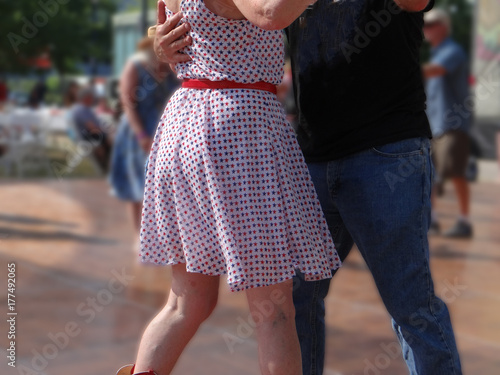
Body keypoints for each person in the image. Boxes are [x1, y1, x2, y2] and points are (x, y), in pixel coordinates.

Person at [156, 0, 464, 374]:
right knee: (293, 301)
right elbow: (245, 17)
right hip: (308, 153)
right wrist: (161, 43)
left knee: (410, 303)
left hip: (385, 151)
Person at [116, 1, 341, 375]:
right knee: (274, 309)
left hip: (186, 124)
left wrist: (159, 44)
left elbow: (169, 32)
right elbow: (270, 13)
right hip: (238, 128)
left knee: (186, 303)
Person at [109, 36, 178, 235]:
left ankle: (162, 234)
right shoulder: (136, 65)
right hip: (138, 131)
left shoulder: (173, 67)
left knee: (165, 184)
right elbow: (127, 104)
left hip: (164, 130)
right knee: (138, 184)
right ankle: (139, 235)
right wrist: (141, 135)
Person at [423, 8, 473, 238]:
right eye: (425, 24)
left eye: (431, 24)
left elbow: (435, 71)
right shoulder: (437, 52)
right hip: (434, 126)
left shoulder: (452, 51)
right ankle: (432, 220)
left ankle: (464, 221)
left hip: (452, 126)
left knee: (456, 173)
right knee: (430, 173)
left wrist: (399, 70)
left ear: (443, 27)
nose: (426, 28)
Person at [71, 87, 111, 173]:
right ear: (86, 98)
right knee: (110, 141)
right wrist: (105, 132)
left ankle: (108, 165)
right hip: (88, 136)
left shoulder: (86, 109)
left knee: (110, 139)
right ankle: (106, 166)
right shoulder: (81, 110)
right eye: (91, 97)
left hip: (92, 135)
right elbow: (92, 128)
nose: (93, 99)